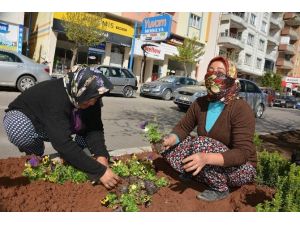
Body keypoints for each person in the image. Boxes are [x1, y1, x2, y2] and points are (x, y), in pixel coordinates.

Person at [3, 65, 120, 189]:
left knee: (84, 133)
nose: (93, 103)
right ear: (78, 89)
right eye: (90, 99)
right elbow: (61, 142)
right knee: (19, 128)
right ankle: (34, 155)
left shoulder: (89, 95)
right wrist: (99, 171)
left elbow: (94, 128)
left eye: (96, 99)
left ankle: (75, 155)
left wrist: (101, 157)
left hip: (59, 122)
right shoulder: (56, 96)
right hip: (32, 120)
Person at [161, 56, 257, 201]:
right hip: (210, 158)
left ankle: (219, 189)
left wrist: (206, 158)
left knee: (200, 143)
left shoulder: (240, 108)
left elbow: (242, 153)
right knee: (169, 147)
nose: (213, 75)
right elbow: (183, 127)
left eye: (220, 72)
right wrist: (169, 139)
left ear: (231, 76)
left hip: (240, 168)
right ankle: (199, 173)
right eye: (210, 71)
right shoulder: (200, 103)